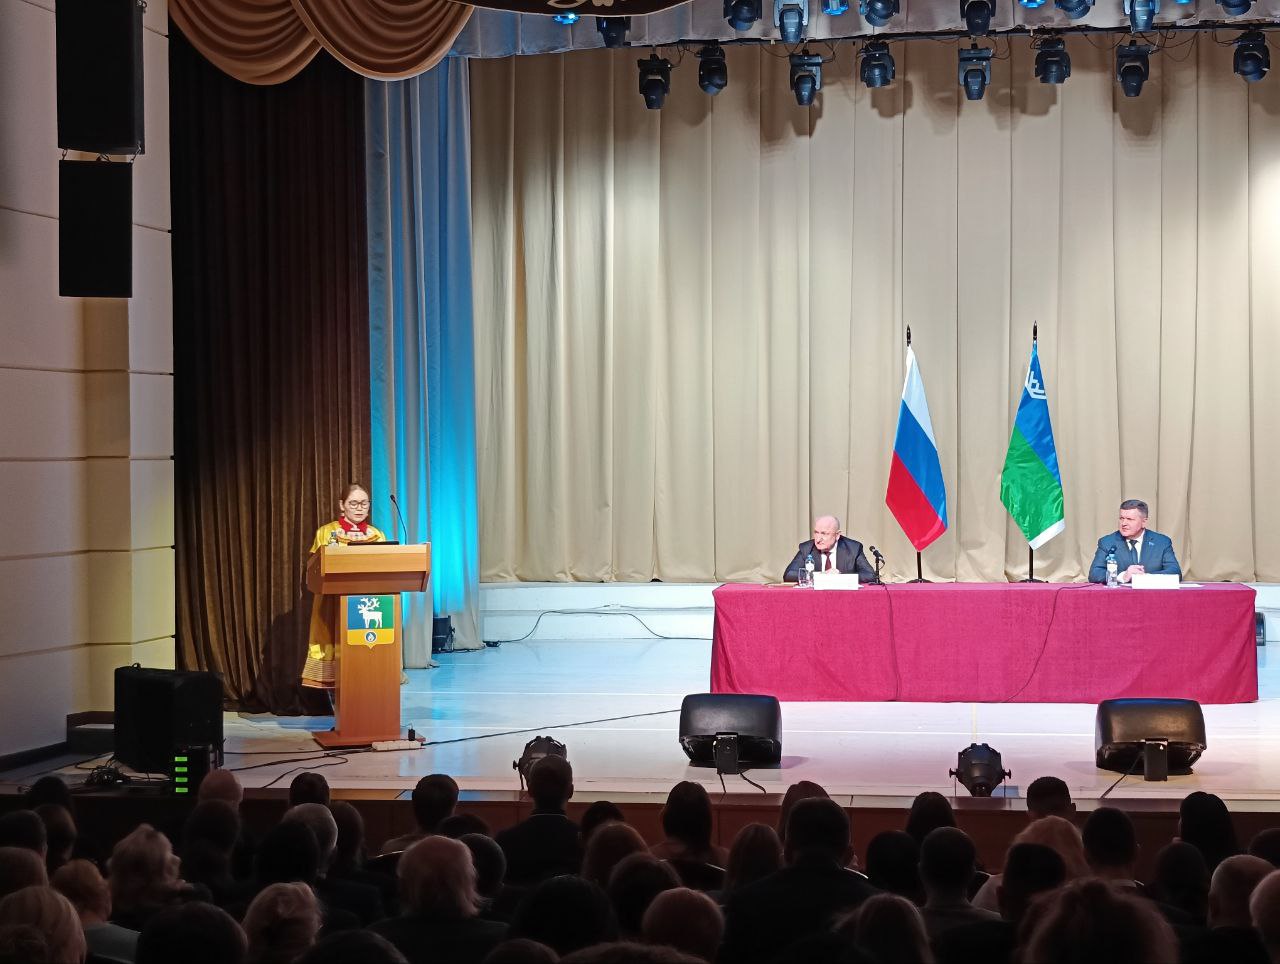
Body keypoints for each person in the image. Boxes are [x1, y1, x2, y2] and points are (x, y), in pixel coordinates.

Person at [302, 482, 386, 690]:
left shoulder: (377, 535)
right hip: (332, 602)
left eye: (364, 503)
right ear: (342, 505)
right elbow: (314, 568)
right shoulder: (326, 532)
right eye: (353, 503)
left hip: (368, 600)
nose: (359, 508)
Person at [1088, 499, 1181, 584]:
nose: (1124, 523)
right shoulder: (1107, 542)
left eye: (1129, 519)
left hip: (1152, 594)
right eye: (1121, 518)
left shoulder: (1162, 542)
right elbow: (1094, 574)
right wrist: (1122, 576)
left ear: (1144, 522)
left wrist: (1145, 578)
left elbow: (1175, 572)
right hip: (1120, 595)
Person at [782, 516, 876, 583]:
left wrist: (840, 577)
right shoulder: (806, 548)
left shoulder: (853, 548)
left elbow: (870, 575)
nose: (818, 539)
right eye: (816, 532)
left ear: (837, 535)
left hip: (844, 597)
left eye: (824, 533)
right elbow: (789, 575)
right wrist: (821, 575)